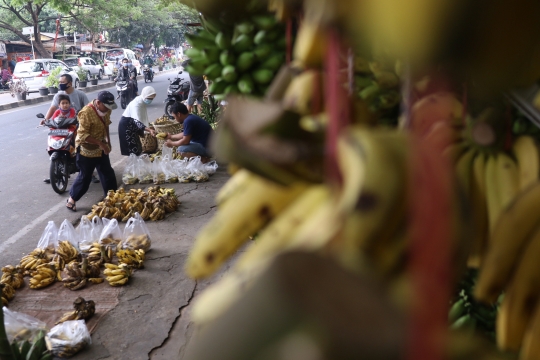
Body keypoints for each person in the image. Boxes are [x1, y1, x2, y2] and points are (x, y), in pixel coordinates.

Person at [40, 74, 99, 184]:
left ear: (70, 83)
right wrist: (45, 119)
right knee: (55, 143)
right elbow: (53, 108)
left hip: (76, 125)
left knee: (82, 146)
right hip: (61, 126)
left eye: (62, 82)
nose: (60, 84)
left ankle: (90, 173)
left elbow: (88, 108)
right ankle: (55, 171)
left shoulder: (80, 94)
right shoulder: (58, 95)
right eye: (59, 82)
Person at [66, 91, 118, 212]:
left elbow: (106, 125)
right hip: (86, 148)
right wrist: (101, 144)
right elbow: (83, 135)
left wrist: (107, 142)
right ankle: (72, 200)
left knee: (107, 173)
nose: (107, 110)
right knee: (85, 177)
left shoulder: (107, 109)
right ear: (98, 103)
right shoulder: (86, 113)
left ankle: (112, 199)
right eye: (106, 107)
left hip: (101, 146)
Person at [118, 86, 156, 156]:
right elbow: (137, 121)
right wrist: (149, 130)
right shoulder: (136, 105)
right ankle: (131, 165)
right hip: (126, 127)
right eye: (149, 98)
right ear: (144, 95)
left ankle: (135, 164)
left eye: (152, 99)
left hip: (133, 126)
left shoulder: (141, 101)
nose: (150, 100)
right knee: (131, 150)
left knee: (137, 148)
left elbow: (141, 117)